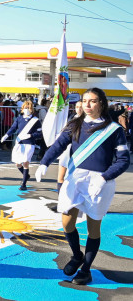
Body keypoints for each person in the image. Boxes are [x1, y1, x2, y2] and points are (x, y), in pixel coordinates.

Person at [36, 88, 130, 286]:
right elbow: (58, 145)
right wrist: (44, 162)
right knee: (67, 222)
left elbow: (123, 160)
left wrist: (105, 178)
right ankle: (77, 255)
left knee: (92, 228)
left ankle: (86, 270)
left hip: (99, 182)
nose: (87, 105)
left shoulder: (114, 130)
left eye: (92, 101)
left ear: (101, 104)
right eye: (85, 101)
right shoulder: (75, 124)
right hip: (74, 179)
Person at [1, 100, 43, 190]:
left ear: (32, 109)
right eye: (25, 108)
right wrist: (6, 135)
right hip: (20, 143)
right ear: (22, 109)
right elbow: (13, 128)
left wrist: (32, 135)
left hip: (29, 143)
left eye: (28, 108)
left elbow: (40, 133)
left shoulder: (35, 121)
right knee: (18, 164)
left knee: (25, 162)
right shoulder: (19, 119)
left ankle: (23, 184)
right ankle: (26, 175)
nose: (26, 109)